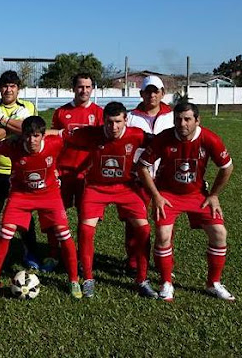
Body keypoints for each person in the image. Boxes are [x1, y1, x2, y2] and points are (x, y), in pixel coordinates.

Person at [0, 116, 82, 299]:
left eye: (36, 136)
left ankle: (74, 280)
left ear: (43, 136)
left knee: (63, 234)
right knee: (5, 232)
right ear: (22, 136)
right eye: (28, 136)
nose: (32, 140)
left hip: (50, 195)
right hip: (21, 195)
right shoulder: (12, 146)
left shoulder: (54, 143)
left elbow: (75, 136)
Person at [137, 102, 235, 302]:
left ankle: (213, 283)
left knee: (219, 233)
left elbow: (227, 167)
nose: (182, 124)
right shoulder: (164, 138)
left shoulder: (209, 138)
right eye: (178, 119)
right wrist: (156, 195)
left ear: (197, 120)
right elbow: (142, 166)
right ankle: (166, 283)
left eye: (187, 119)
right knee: (163, 234)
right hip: (168, 194)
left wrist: (213, 195)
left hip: (197, 195)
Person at [63, 102, 156, 298]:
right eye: (109, 122)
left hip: (126, 188)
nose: (114, 127)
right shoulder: (91, 134)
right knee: (86, 230)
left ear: (125, 120)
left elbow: (161, 142)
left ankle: (142, 280)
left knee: (144, 230)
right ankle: (88, 278)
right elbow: (58, 136)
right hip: (96, 188)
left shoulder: (136, 135)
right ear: (103, 121)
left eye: (118, 122)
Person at [0, 70, 40, 270]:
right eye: (5, 86)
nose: (8, 90)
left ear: (18, 89)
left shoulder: (28, 107)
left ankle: (30, 252)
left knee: (25, 213)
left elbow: (31, 131)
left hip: (21, 170)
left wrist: (2, 121)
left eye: (12, 86)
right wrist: (16, 128)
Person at [46, 72, 104, 271]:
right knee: (56, 214)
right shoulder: (61, 112)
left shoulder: (99, 113)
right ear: (73, 88)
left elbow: (103, 144)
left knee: (85, 218)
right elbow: (53, 142)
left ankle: (81, 257)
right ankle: (53, 254)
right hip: (62, 172)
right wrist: (53, 168)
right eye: (80, 86)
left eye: (88, 87)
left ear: (92, 89)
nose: (84, 91)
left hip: (87, 175)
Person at [123, 75, 173, 273]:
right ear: (141, 93)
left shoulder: (173, 116)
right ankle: (134, 260)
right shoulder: (130, 117)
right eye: (148, 91)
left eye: (156, 91)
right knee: (135, 222)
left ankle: (163, 261)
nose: (152, 95)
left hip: (165, 178)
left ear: (162, 93)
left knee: (165, 222)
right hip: (137, 178)